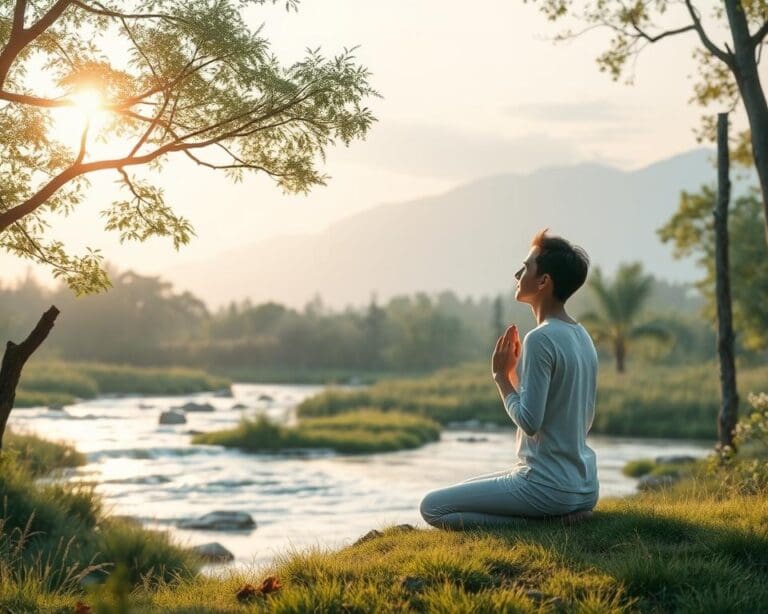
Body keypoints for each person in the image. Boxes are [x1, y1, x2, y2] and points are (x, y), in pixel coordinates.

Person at [420, 229, 599, 529]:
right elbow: (569, 416)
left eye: (526, 267)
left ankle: (545, 525)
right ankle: (560, 515)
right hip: (584, 487)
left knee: (433, 508)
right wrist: (516, 374)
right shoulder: (582, 336)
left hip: (548, 488)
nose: (518, 274)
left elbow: (530, 421)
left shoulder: (541, 338)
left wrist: (501, 377)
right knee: (463, 490)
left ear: (544, 282)